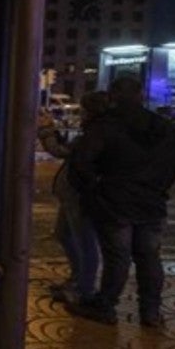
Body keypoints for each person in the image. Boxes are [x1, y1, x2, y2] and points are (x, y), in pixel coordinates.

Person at [67, 77, 175, 327]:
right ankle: (151, 312)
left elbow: (81, 163)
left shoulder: (105, 127)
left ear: (112, 96)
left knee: (118, 256)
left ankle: (106, 304)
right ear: (140, 95)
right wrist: (157, 186)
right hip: (150, 201)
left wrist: (95, 187)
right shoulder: (164, 127)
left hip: (115, 201)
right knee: (148, 256)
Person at [37, 91, 109, 304]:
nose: (81, 115)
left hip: (81, 194)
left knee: (85, 241)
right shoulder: (93, 132)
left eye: (84, 110)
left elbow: (61, 151)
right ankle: (77, 279)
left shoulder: (96, 134)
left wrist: (46, 129)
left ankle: (84, 289)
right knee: (64, 235)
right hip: (72, 194)